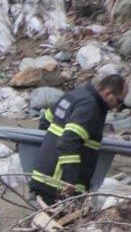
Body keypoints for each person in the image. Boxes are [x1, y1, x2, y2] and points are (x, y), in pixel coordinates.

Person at [28, 74, 125, 204]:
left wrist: (49, 151)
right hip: (59, 186)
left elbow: (46, 120)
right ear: (108, 93)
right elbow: (68, 142)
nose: (118, 107)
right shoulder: (90, 108)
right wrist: (69, 181)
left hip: (43, 177)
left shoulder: (75, 95)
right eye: (119, 101)